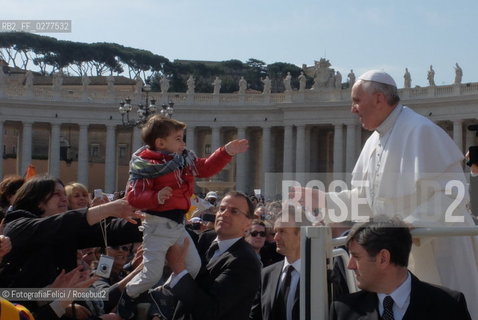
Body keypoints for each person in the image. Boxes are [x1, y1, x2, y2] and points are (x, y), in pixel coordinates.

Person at [292, 70, 478, 319]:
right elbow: (368, 200)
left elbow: (454, 195)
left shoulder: (421, 130)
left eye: (357, 100)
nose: (353, 109)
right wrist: (325, 200)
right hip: (393, 261)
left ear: (379, 99)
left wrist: (414, 223)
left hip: (435, 253)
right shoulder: (373, 142)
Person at [120, 116, 248, 319]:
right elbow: (133, 197)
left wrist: (226, 152)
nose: (184, 143)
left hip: (178, 226)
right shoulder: (144, 166)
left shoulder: (184, 162)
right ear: (161, 143)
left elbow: (205, 167)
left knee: (194, 267)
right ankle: (128, 294)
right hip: (157, 227)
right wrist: (155, 196)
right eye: (178, 139)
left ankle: (163, 293)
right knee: (151, 274)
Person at [0, 175, 143, 318]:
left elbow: (111, 231)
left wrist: (153, 223)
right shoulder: (16, 225)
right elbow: (59, 224)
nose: (64, 198)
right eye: (56, 194)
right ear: (38, 201)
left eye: (64, 194)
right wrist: (106, 209)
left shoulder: (65, 231)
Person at [329, 217, 472, 320]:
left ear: (383, 258)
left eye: (357, 257)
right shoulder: (343, 311)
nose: (350, 265)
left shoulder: (448, 305)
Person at [165, 191, 261, 320]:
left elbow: (210, 311)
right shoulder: (206, 238)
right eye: (221, 209)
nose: (224, 214)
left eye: (234, 211)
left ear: (248, 224)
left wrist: (179, 269)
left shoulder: (245, 261)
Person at [250, 208, 309, 320]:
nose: (276, 237)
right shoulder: (266, 275)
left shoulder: (320, 275)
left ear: (301, 234)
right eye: (275, 231)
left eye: (282, 231)